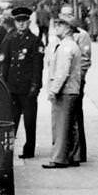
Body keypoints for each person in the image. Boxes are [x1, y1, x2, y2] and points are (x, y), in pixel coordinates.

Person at [0, 4, 45, 159]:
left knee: (29, 121)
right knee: (11, 121)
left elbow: (38, 66)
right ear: (14, 22)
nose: (21, 23)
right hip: (12, 87)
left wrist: (35, 86)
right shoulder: (9, 39)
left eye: (24, 20)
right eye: (18, 20)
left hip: (27, 88)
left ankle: (29, 149)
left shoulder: (35, 41)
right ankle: (8, 150)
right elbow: (4, 63)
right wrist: (3, 83)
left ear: (29, 22)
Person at [42, 12, 82, 168]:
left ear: (68, 29)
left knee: (61, 126)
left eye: (60, 24)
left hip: (64, 91)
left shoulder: (65, 47)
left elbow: (62, 72)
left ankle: (59, 158)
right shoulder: (70, 45)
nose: (56, 27)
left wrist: (53, 90)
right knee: (71, 125)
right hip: (71, 90)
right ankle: (73, 156)